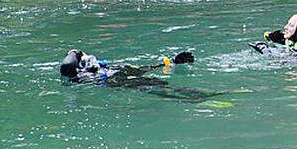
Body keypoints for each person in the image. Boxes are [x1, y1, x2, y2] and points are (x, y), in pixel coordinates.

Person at [59, 48, 208, 101]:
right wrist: (74, 52)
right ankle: (199, 97)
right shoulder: (77, 75)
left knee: (157, 84)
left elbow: (138, 69)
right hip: (116, 80)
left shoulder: (99, 68)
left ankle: (197, 95)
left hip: (121, 73)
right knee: (162, 89)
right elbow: (66, 65)